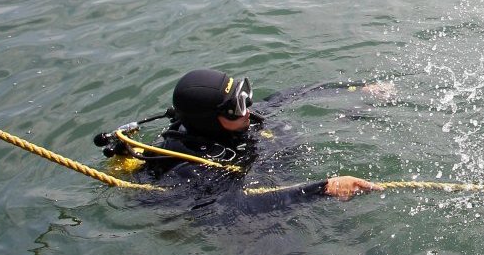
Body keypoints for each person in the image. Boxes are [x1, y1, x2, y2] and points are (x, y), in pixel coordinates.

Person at [104, 69, 384, 208]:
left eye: (243, 99)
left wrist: (357, 88)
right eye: (237, 107)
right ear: (210, 120)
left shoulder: (237, 121)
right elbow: (245, 205)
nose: (247, 110)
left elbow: (291, 95)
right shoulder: (195, 167)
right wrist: (323, 189)